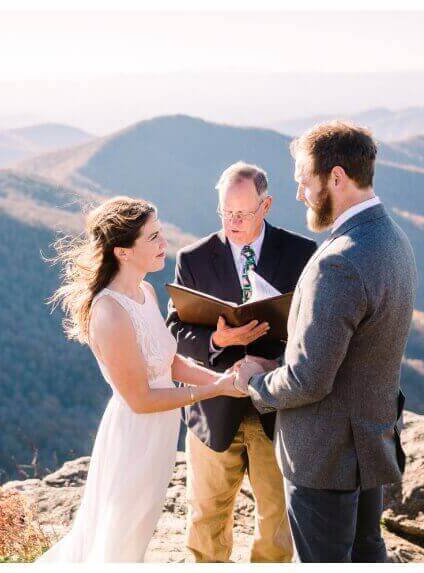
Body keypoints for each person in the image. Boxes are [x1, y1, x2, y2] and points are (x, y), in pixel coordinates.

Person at [228, 121, 417, 563]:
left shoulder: (340, 261)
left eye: (304, 182)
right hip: (369, 446)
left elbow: (308, 380)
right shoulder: (392, 239)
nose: (300, 195)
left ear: (336, 177)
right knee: (367, 554)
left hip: (325, 457)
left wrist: (254, 382)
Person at [40, 196, 243, 562]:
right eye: (152, 238)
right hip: (135, 437)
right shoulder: (110, 312)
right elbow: (141, 399)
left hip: (160, 433)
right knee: (120, 539)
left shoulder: (145, 292)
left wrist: (223, 378)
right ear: (123, 251)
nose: (164, 244)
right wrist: (211, 390)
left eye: (160, 233)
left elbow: (170, 361)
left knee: (138, 530)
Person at [166, 162, 316, 562]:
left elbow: (316, 332)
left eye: (243, 213)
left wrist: (274, 360)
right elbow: (174, 333)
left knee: (278, 523)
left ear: (265, 206)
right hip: (214, 407)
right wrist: (218, 339)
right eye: (225, 212)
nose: (232, 222)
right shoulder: (194, 258)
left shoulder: (302, 254)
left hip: (278, 408)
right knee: (206, 519)